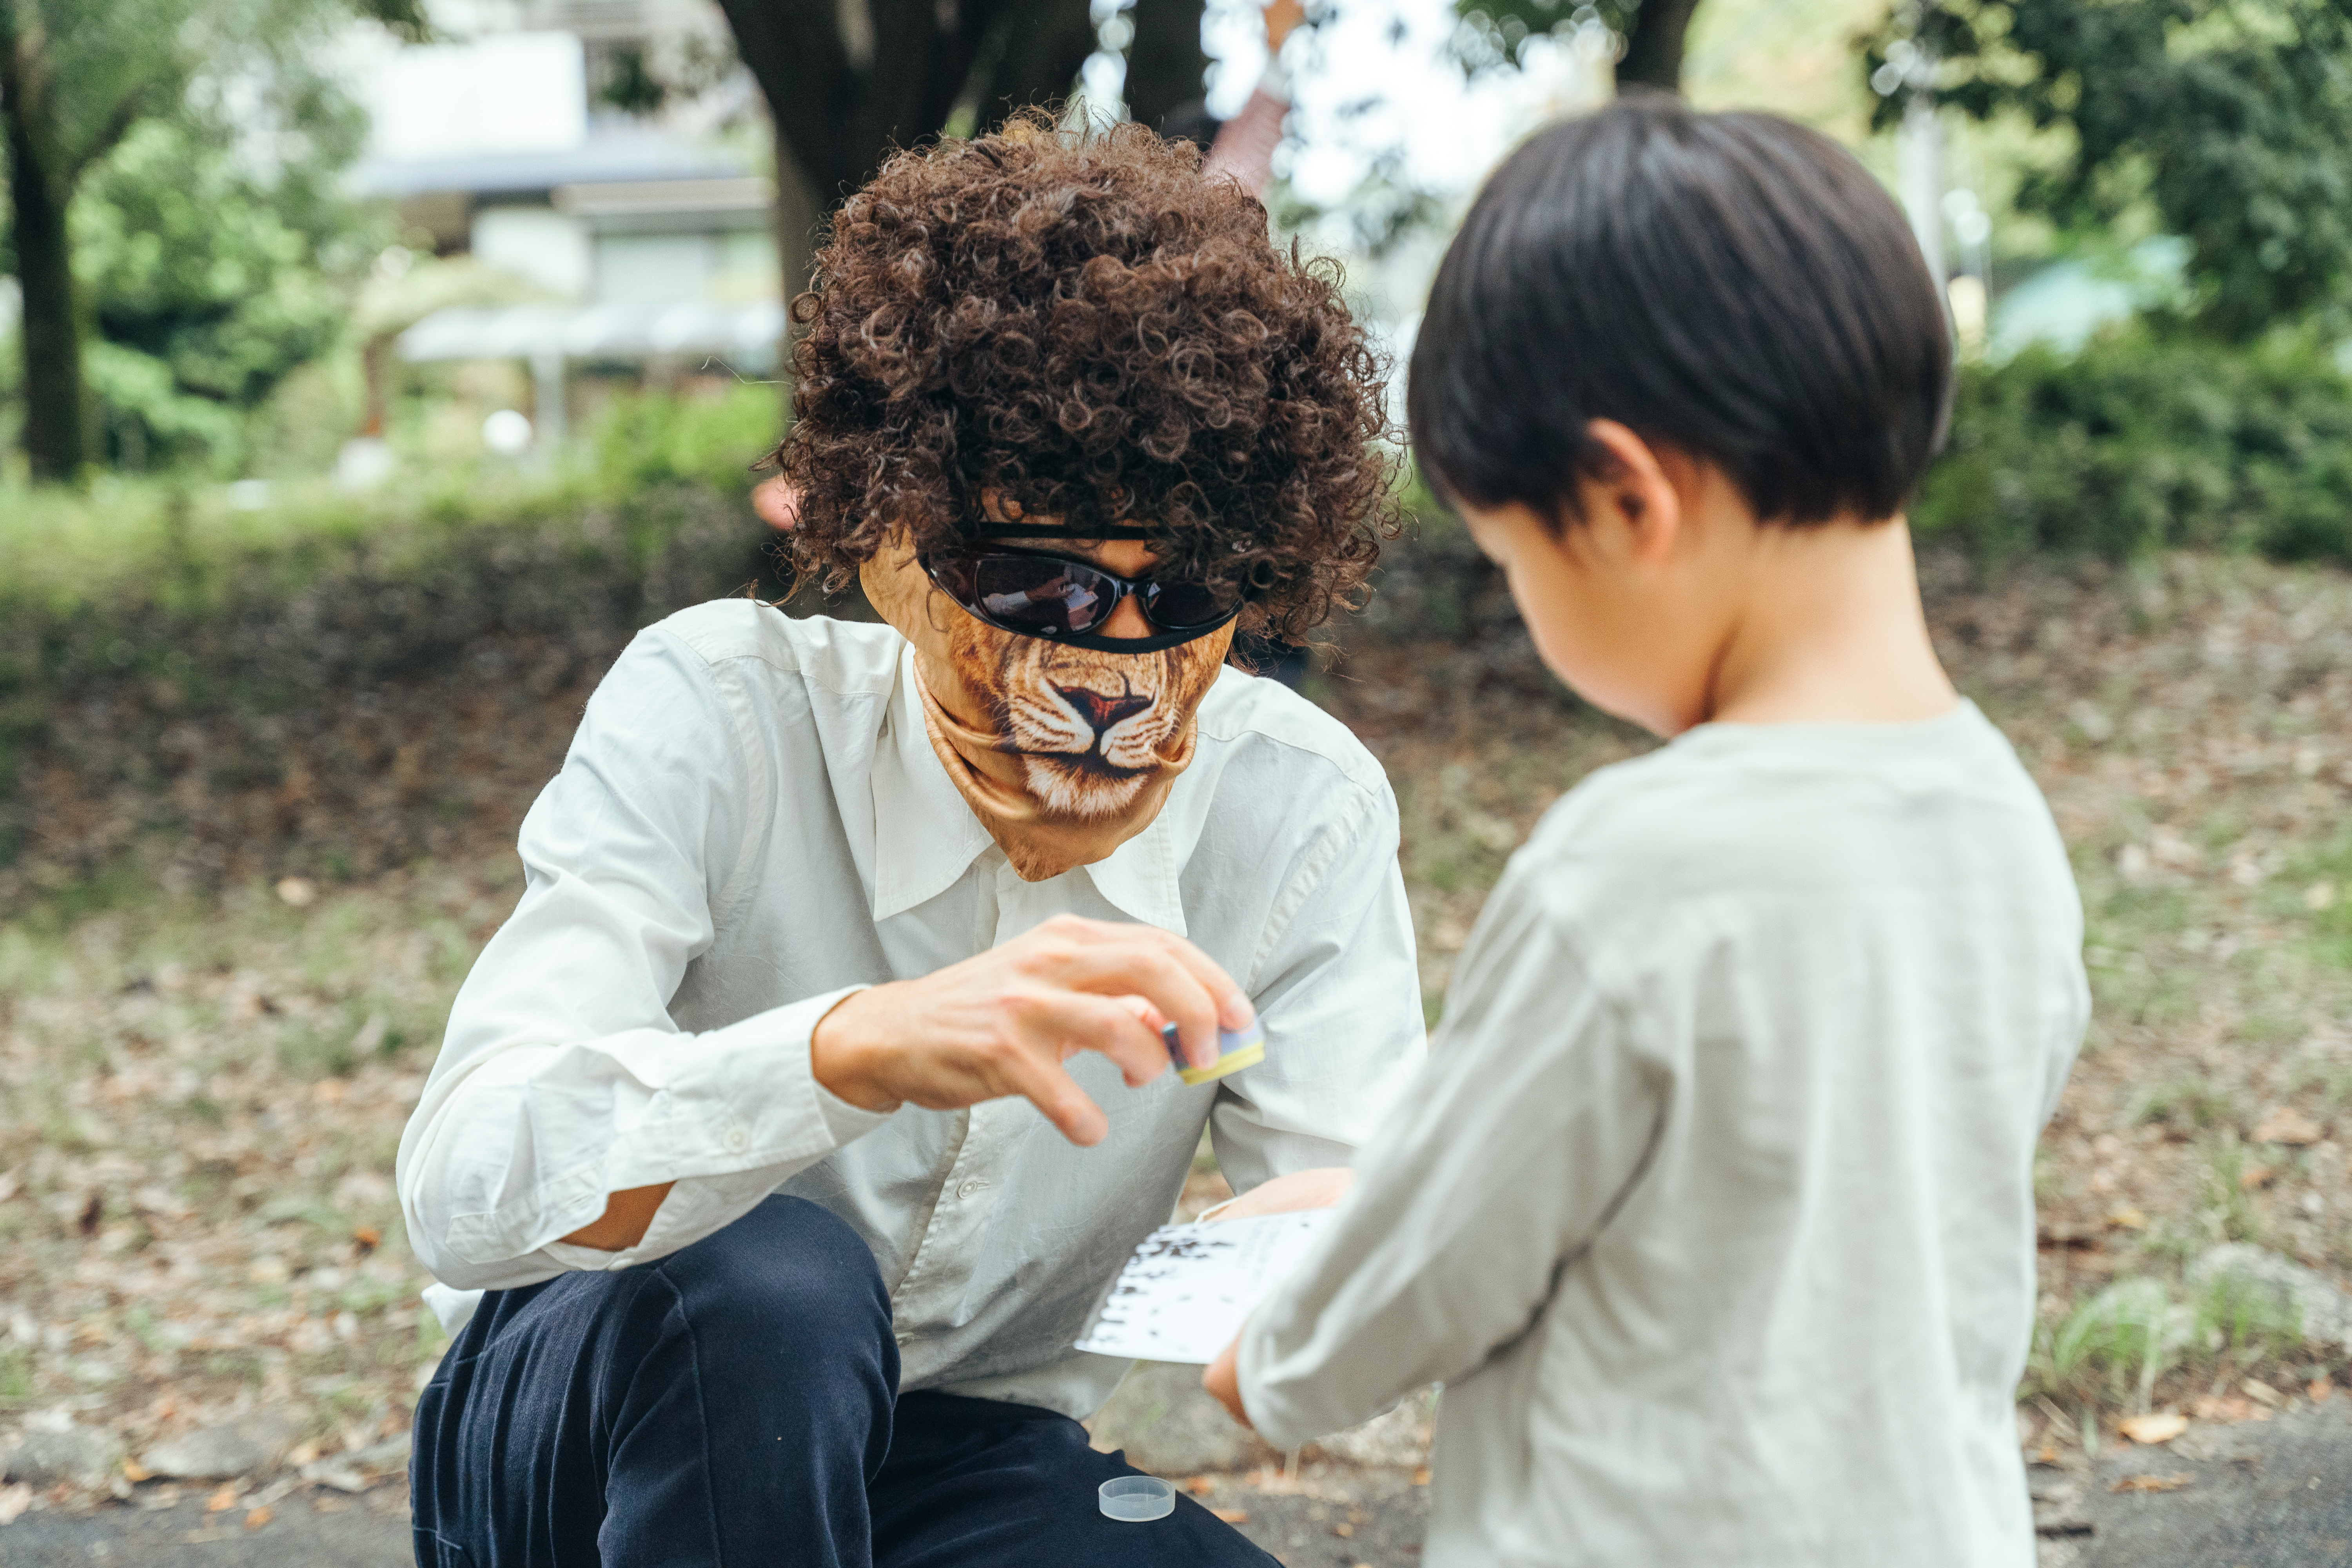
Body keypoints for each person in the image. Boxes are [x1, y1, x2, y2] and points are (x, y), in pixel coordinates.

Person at [398, 113, 1419, 1568]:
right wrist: (848, 1051)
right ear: (889, 544)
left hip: (960, 1455)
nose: (1112, 673)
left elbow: (1346, 1234)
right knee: (775, 1291)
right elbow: (462, 1185)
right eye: (1038, 587)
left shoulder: (1297, 804)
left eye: (1186, 590)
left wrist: (1358, 1237)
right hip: (601, 1415)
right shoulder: (722, 710)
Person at [1204, 96, 2089, 1566]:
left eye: (1515, 560)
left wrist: (1271, 1356)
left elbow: (1434, 1269)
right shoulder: (2001, 819)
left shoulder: (1633, 868)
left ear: (1625, 500)